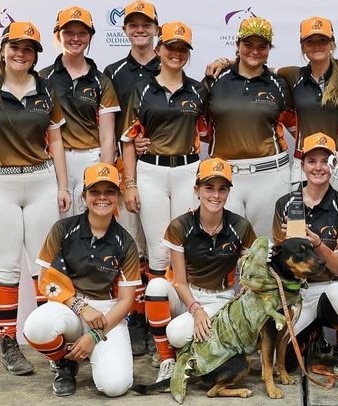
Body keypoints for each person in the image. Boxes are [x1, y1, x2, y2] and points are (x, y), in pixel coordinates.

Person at [206, 16, 338, 200]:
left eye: (322, 41)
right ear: (303, 46)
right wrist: (225, 62)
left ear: (332, 43)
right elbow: (254, 64)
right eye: (310, 41)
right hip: (303, 164)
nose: (316, 46)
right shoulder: (293, 75)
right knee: (301, 222)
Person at [23, 162, 140, 397]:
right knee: (36, 326)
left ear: (117, 196)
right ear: (84, 195)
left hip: (107, 313)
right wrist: (80, 305)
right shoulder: (63, 229)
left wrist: (95, 336)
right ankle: (64, 363)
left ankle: (91, 349)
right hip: (70, 306)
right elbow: (46, 280)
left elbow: (126, 302)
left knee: (114, 386)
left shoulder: (125, 242)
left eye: (109, 192)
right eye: (95, 191)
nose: (102, 198)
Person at [144, 157, 256, 386]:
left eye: (222, 189)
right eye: (209, 188)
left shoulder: (241, 226)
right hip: (188, 295)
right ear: (197, 190)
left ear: (228, 193)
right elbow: (179, 281)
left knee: (176, 333)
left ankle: (200, 353)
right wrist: (195, 309)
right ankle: (167, 360)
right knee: (156, 286)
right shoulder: (180, 225)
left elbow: (247, 277)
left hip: (221, 298)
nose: (215, 195)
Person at [0, 21, 70, 376]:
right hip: (3, 182)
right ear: (3, 49)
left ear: (35, 55)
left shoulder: (45, 89)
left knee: (44, 267)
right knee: (7, 266)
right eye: (15, 47)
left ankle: (51, 341)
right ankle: (8, 341)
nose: (20, 54)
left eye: (28, 49)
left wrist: (63, 184)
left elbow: (55, 140)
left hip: (41, 180)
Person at [121, 21, 206, 299]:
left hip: (187, 170)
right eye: (171, 47)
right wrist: (130, 183)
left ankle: (185, 316)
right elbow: (129, 139)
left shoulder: (198, 91)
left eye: (183, 48)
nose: (176, 53)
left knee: (184, 244)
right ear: (159, 49)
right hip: (151, 173)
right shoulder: (143, 88)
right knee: (157, 251)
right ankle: (155, 323)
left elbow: (209, 131)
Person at [272, 132, 338, 375]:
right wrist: (290, 243)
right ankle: (314, 334)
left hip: (328, 286)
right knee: (280, 362)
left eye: (325, 161)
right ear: (302, 165)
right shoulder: (286, 203)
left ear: (333, 165)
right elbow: (280, 263)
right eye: (312, 161)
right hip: (295, 293)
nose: (318, 167)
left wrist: (318, 243)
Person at [103, 0, 160, 357]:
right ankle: (135, 319)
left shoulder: (170, 60)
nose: (140, 30)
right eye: (133, 25)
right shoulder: (113, 71)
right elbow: (108, 125)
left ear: (156, 28)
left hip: (158, 167)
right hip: (126, 170)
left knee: (157, 249)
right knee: (130, 247)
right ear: (124, 29)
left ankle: (159, 321)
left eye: (146, 24)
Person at [204, 16, 295, 236]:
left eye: (262, 46)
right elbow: (198, 125)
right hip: (223, 174)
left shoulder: (279, 84)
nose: (255, 51)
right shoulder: (214, 79)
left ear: (269, 49)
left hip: (270, 174)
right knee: (223, 245)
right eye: (248, 44)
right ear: (237, 46)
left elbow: (298, 127)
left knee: (269, 246)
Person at [40, 5, 119, 215]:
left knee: (91, 225)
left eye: (82, 32)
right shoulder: (42, 78)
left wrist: (105, 174)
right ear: (58, 35)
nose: (76, 38)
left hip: (91, 158)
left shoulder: (102, 81)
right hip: (55, 160)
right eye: (69, 32)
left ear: (90, 36)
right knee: (59, 226)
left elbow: (107, 137)